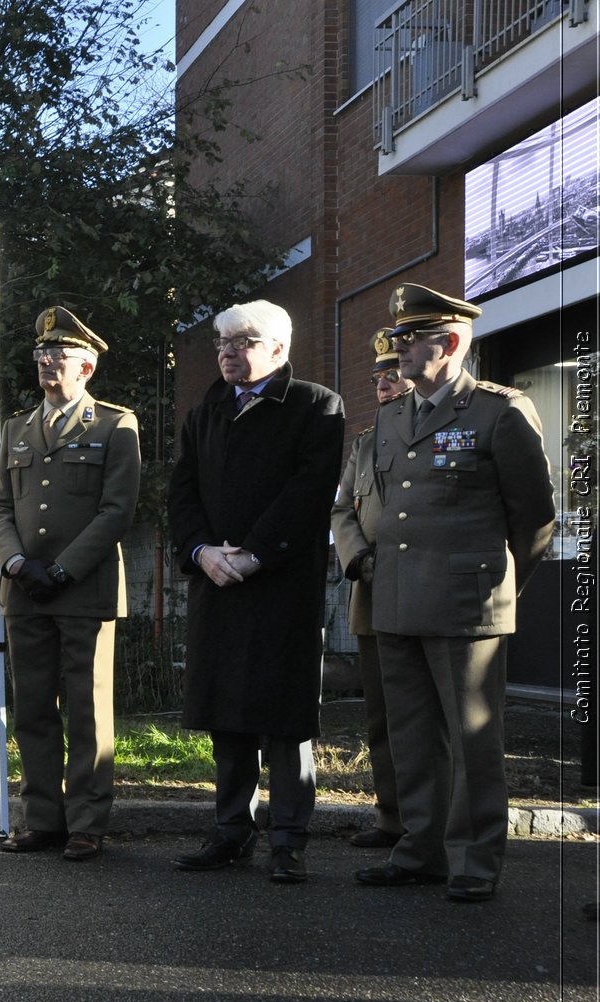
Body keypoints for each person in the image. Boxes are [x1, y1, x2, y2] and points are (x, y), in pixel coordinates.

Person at [354, 283, 555, 903]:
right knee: (412, 734)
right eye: (398, 337)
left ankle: (474, 859)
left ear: (452, 342)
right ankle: (421, 850)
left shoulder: (500, 410)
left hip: (468, 602)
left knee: (473, 740)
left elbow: (535, 518)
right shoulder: (390, 416)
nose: (398, 347)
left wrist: (500, 588)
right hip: (396, 600)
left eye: (411, 338)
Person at [167, 299, 344, 883]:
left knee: (286, 718)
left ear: (278, 348)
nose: (227, 352)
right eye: (222, 341)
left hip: (280, 586)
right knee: (228, 716)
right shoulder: (205, 412)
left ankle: (289, 839)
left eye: (242, 341)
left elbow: (309, 491)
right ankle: (230, 831)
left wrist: (255, 554)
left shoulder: (315, 406)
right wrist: (202, 553)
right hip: (217, 581)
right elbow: (182, 496)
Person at [0, 306, 140, 861]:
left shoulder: (115, 425)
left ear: (88, 367)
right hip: (25, 591)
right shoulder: (16, 428)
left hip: (83, 591)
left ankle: (87, 823)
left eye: (61, 356)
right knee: (32, 709)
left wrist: (62, 570)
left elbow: (117, 511)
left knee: (86, 711)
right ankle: (42, 818)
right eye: (42, 355)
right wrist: (15, 563)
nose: (48, 363)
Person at [330, 332, 413, 849]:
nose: (384, 386)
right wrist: (357, 556)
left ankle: (439, 823)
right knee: (381, 714)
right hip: (374, 591)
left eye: (393, 375)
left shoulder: (439, 429)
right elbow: (341, 509)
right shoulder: (363, 444)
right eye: (377, 379)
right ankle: (392, 817)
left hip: (428, 590)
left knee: (430, 715)